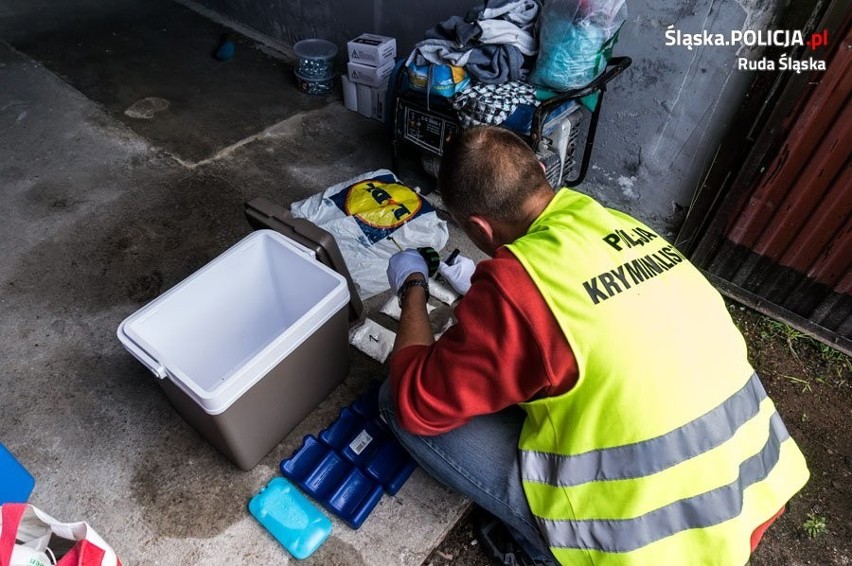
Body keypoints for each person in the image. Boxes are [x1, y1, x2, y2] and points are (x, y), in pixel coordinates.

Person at [379, 125, 810, 565]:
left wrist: (413, 286)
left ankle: (541, 551)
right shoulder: (621, 225)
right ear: (544, 173)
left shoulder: (517, 287)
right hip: (748, 496)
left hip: (648, 546)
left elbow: (418, 402)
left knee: (394, 401)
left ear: (478, 227)